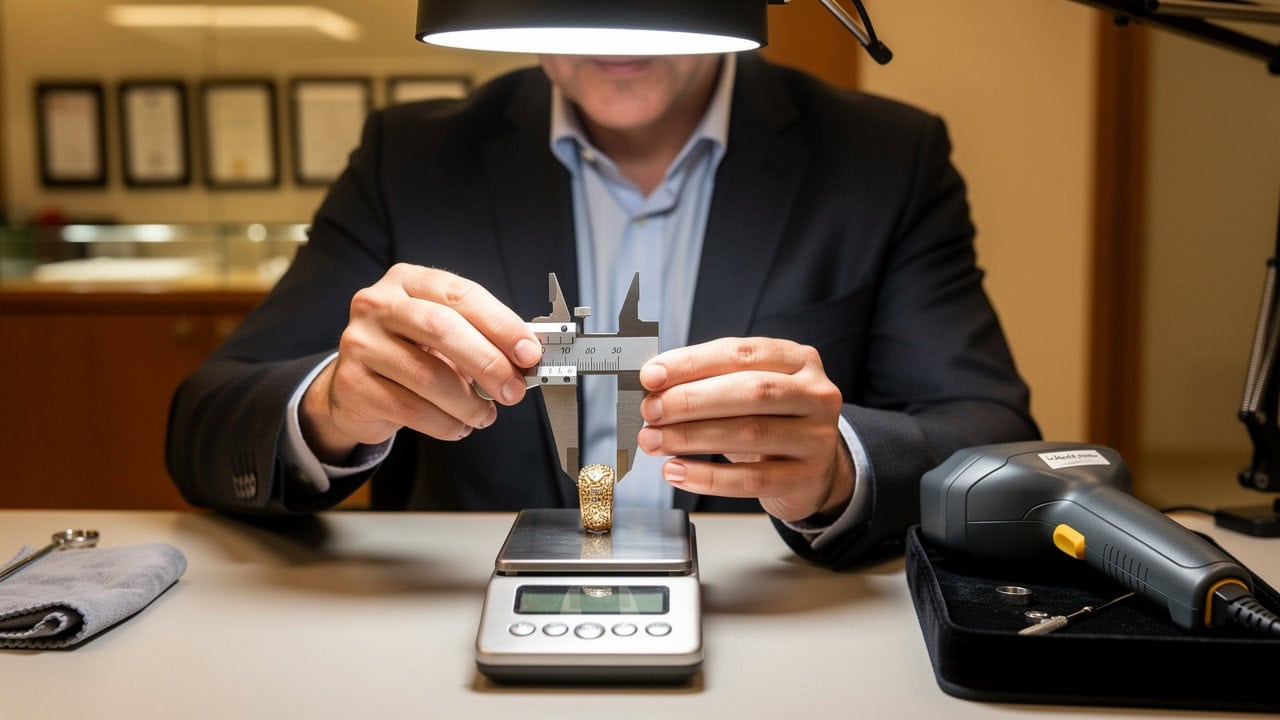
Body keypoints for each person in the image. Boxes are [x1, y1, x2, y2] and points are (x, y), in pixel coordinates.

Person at [165, 50, 1039, 568]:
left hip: (780, 638)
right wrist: (329, 408)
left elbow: (993, 437)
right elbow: (207, 421)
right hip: (452, 643)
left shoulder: (882, 157)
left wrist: (839, 469)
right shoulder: (415, 156)